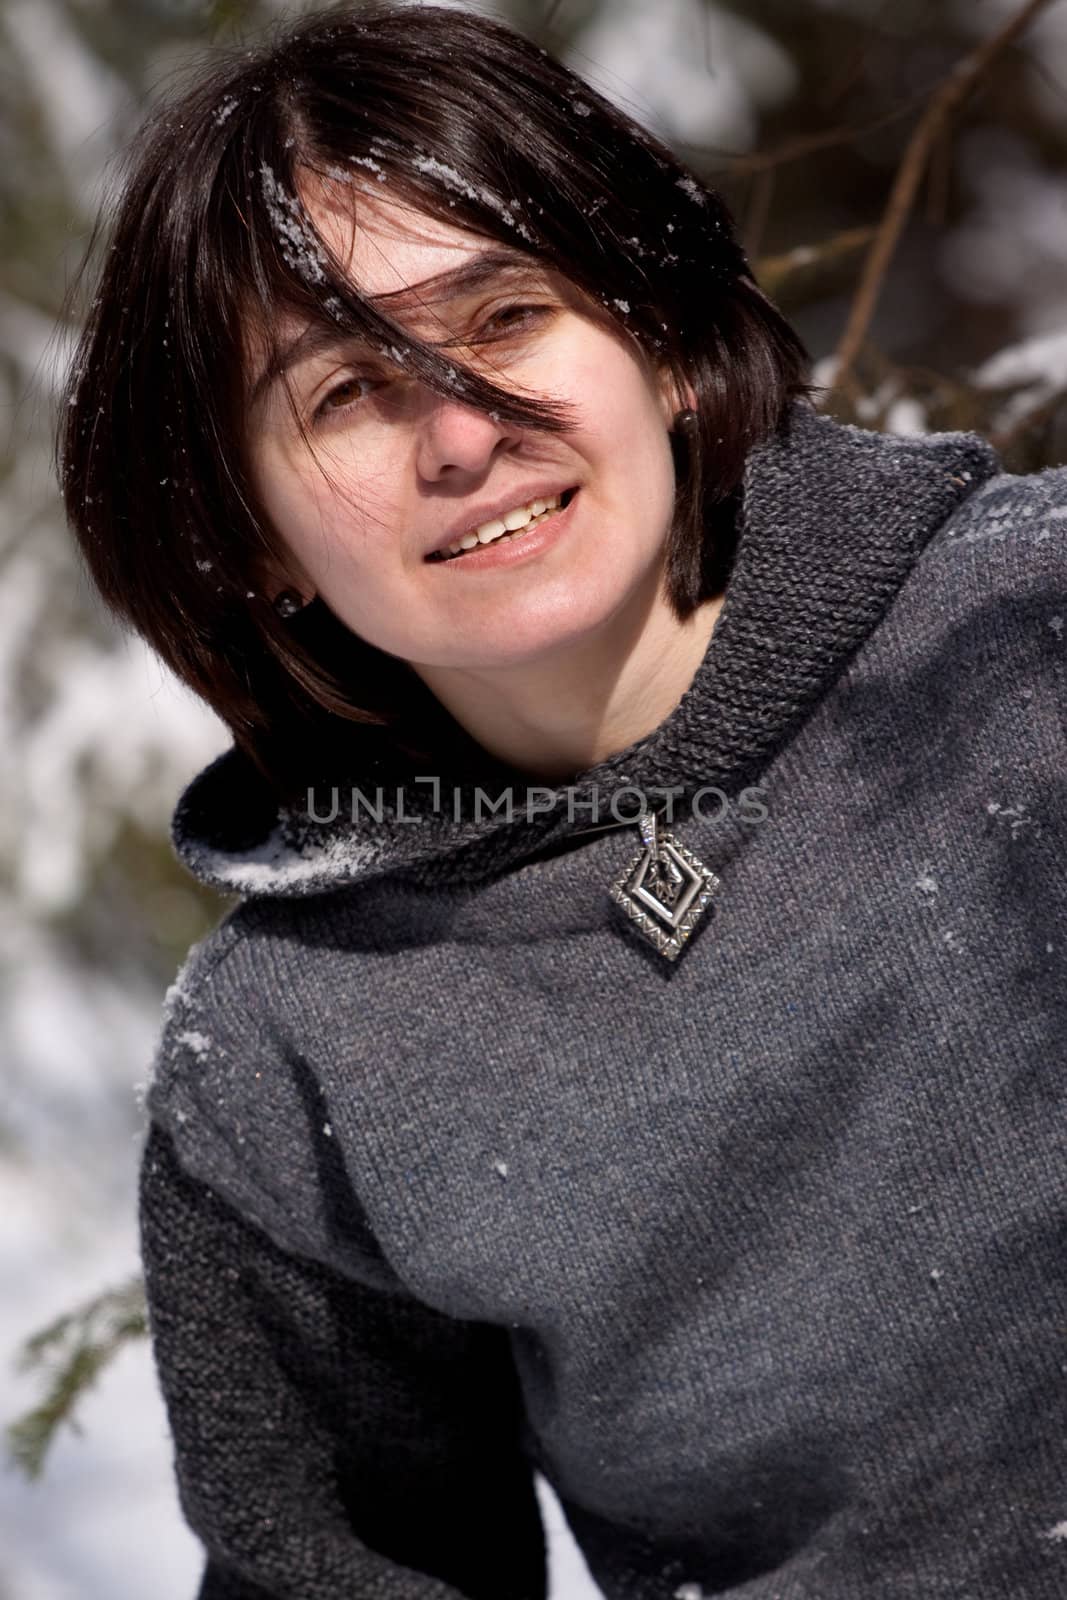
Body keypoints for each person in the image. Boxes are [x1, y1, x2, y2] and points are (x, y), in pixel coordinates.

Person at [58, 4, 1067, 1597]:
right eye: (344, 397)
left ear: (659, 335)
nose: (461, 434)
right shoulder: (291, 1055)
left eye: (509, 316)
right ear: (242, 529)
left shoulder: (1031, 644)